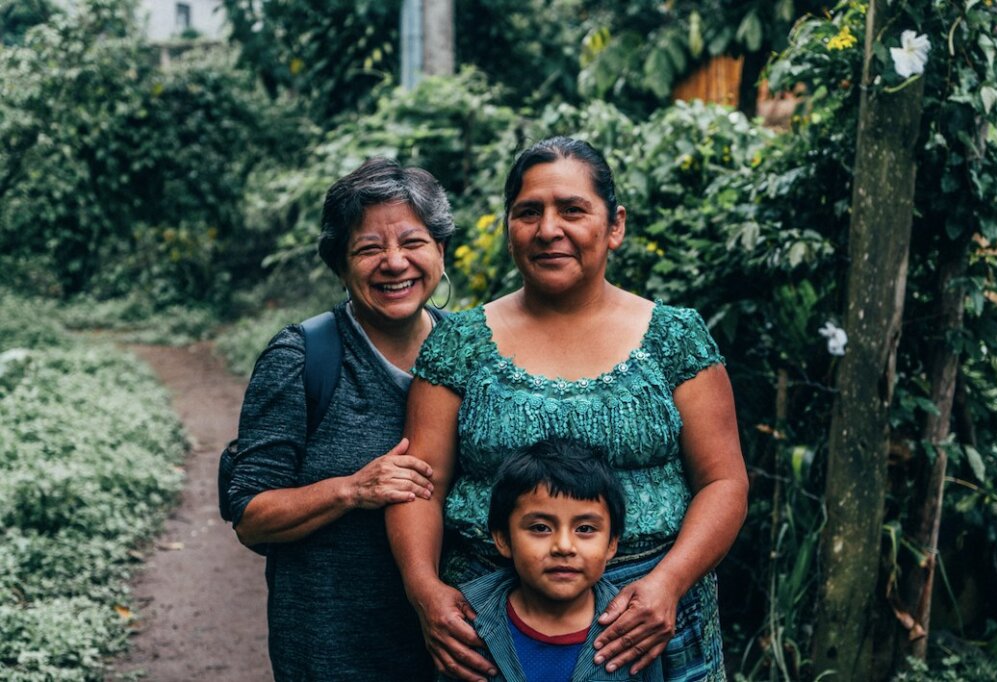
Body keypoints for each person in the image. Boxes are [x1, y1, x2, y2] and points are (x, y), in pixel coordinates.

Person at [386, 137, 748, 682]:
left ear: (615, 224)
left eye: (572, 210)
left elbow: (724, 482)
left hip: (651, 622)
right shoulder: (458, 343)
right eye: (528, 212)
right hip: (491, 629)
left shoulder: (675, 340)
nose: (548, 229)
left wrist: (669, 584)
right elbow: (421, 484)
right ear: (509, 227)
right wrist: (424, 590)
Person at [225, 157, 454, 680]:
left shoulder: (470, 351)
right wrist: (353, 489)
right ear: (340, 263)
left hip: (451, 650)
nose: (394, 263)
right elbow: (250, 516)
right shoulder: (303, 357)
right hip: (331, 654)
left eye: (412, 243)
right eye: (369, 248)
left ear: (440, 250)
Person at [457, 439, 663, 682]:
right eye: (541, 527)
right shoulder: (468, 621)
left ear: (611, 544)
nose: (564, 547)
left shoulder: (634, 629)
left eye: (585, 528)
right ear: (503, 539)